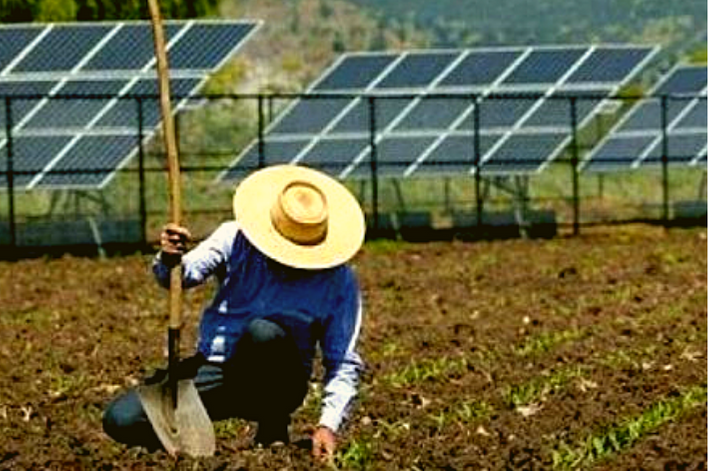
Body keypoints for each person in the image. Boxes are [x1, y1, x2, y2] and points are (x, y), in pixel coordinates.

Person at [102, 164, 366, 462]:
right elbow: (182, 276)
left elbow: (342, 361)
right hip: (218, 369)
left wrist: (327, 425)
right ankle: (192, 443)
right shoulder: (235, 238)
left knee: (264, 333)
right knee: (120, 419)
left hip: (279, 382)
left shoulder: (337, 280)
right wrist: (170, 257)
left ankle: (273, 425)